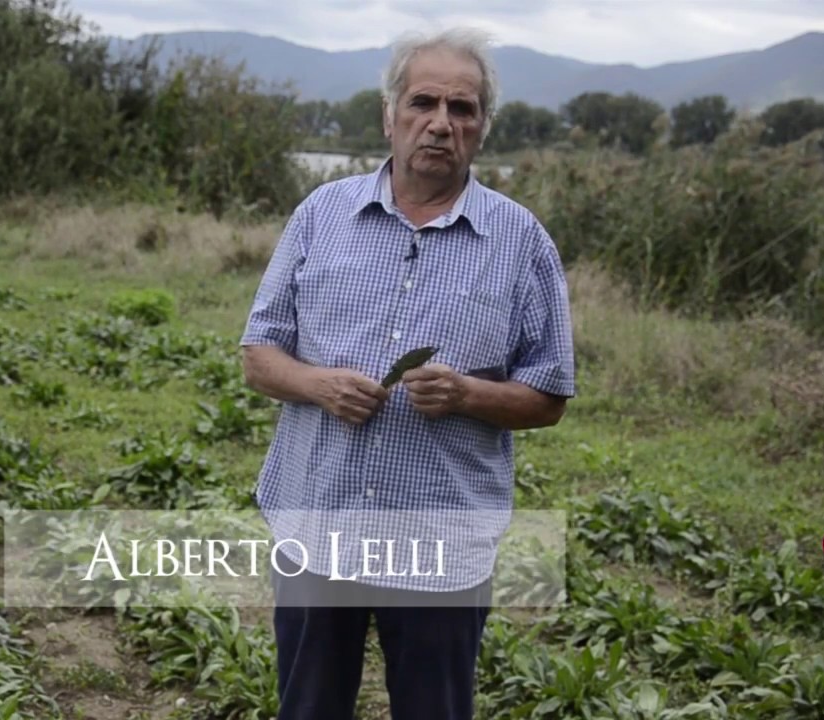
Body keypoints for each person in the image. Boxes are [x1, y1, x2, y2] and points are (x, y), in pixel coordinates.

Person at [239, 26, 575, 720]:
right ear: (389, 115)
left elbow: (548, 396)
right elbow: (259, 354)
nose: (441, 124)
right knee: (308, 707)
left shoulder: (522, 243)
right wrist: (319, 384)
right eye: (424, 102)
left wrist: (467, 394)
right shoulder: (320, 215)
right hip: (318, 520)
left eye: (463, 109)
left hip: (441, 543)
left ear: (481, 128)